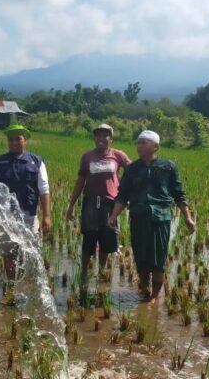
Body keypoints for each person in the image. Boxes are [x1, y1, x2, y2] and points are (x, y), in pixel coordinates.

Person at [108, 130, 196, 302]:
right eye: (138, 142)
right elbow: (122, 195)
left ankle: (154, 297)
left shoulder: (168, 167)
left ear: (155, 147)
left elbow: (179, 194)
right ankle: (143, 289)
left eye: (144, 142)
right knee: (141, 257)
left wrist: (188, 217)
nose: (139, 145)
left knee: (158, 259)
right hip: (138, 217)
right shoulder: (132, 169)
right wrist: (113, 216)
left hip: (160, 218)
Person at [65, 124, 130, 295]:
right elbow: (80, 181)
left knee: (107, 238)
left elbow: (132, 172)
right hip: (91, 203)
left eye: (105, 136)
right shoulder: (87, 157)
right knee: (89, 239)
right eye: (98, 136)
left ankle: (101, 271)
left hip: (110, 204)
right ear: (94, 138)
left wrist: (122, 186)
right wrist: (71, 205)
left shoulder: (118, 155)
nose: (101, 139)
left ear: (111, 138)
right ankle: (84, 273)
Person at [0, 124, 51, 281]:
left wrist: (46, 216)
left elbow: (44, 189)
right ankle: (11, 284)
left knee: (31, 252)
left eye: (18, 139)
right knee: (9, 253)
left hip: (29, 217)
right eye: (11, 139)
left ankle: (27, 283)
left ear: (25, 141)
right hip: (6, 218)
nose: (14, 143)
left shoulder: (36, 162)